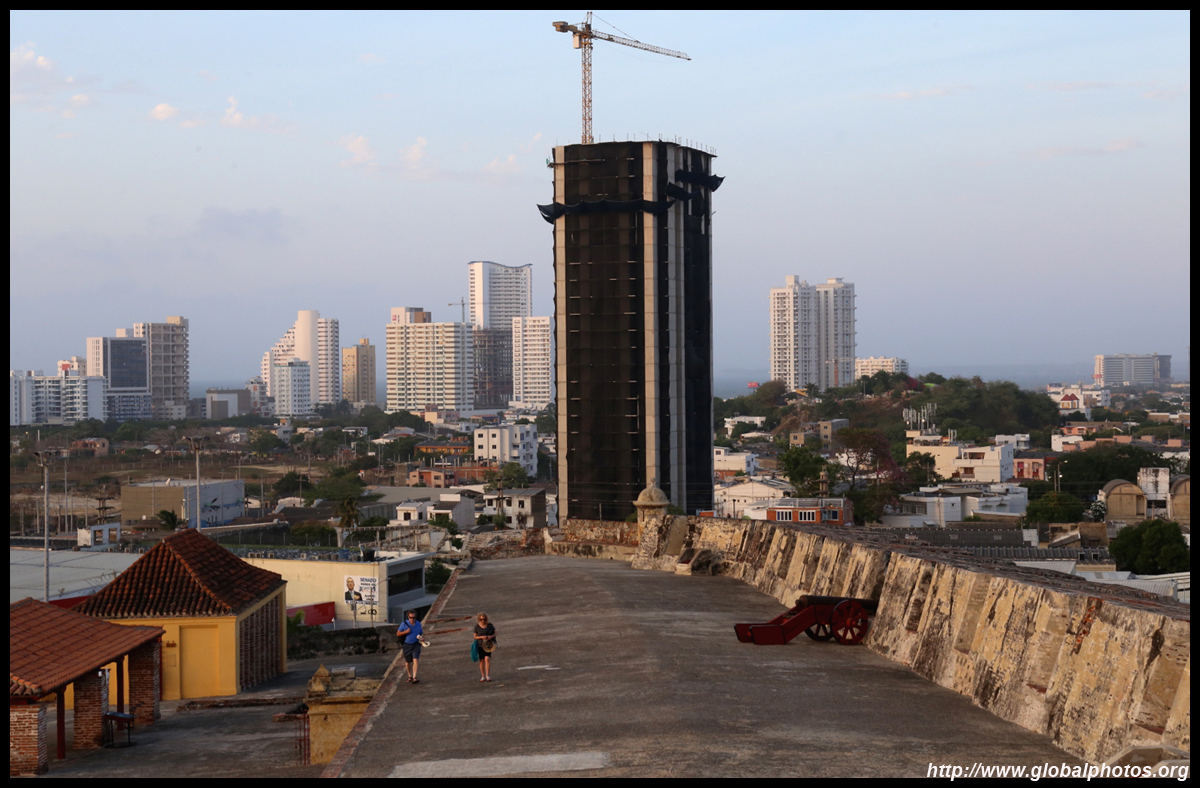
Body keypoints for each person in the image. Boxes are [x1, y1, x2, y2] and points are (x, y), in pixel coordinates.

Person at [397, 610, 424, 684]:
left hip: (416, 644)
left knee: (415, 660)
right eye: (410, 617)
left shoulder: (418, 624)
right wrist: (406, 632)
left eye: (413, 617)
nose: (412, 619)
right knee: (408, 661)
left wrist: (421, 638)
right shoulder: (404, 624)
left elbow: (421, 633)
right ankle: (409, 676)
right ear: (408, 617)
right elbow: (398, 633)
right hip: (407, 644)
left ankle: (414, 677)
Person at [473, 612, 496, 682]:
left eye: (484, 619)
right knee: (481, 660)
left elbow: (495, 632)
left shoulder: (490, 625)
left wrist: (491, 636)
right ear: (479, 619)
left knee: (487, 658)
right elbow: (475, 636)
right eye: (481, 619)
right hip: (480, 645)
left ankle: (487, 675)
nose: (483, 620)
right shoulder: (477, 627)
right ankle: (483, 676)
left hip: (488, 645)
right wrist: (481, 637)